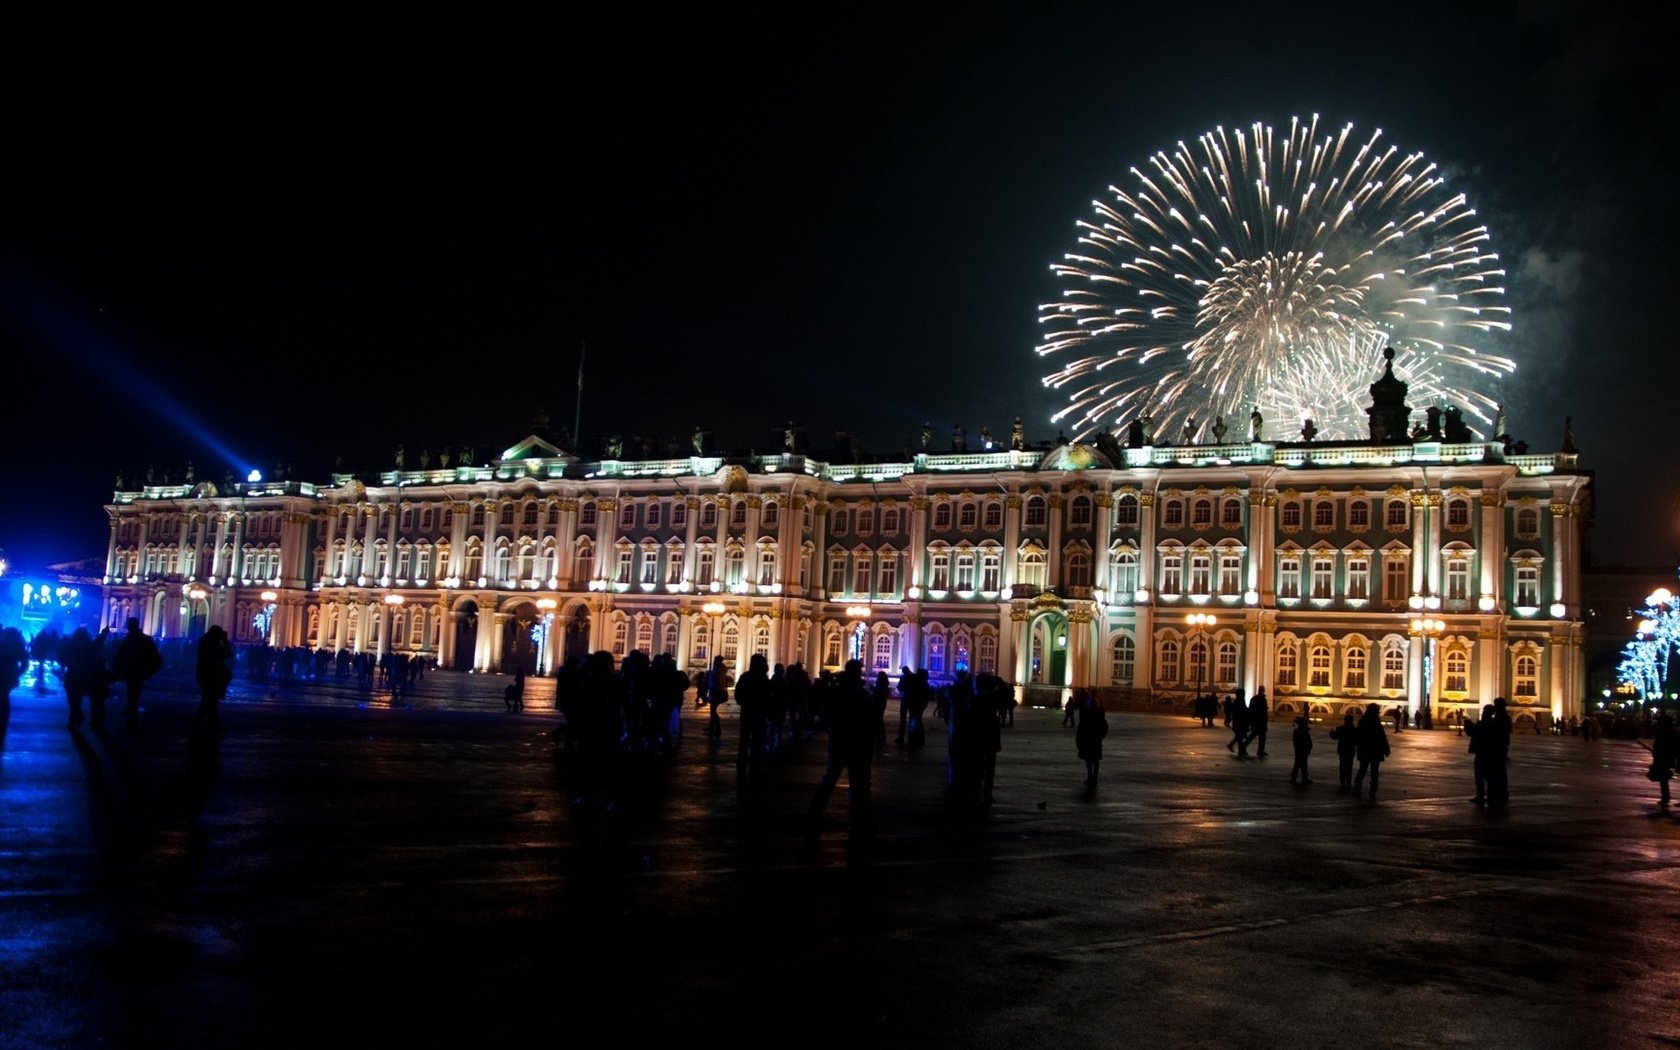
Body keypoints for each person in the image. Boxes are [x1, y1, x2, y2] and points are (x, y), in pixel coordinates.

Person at [807, 660, 876, 836]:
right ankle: (858, 820)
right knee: (858, 784)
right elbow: (870, 722)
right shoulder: (862, 695)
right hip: (856, 745)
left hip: (839, 741)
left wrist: (832, 729)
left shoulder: (836, 692)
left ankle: (814, 812)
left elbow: (825, 713)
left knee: (830, 779)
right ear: (857, 673)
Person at [112, 616, 164, 731]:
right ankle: (131, 714)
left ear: (130, 626)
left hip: (132, 671)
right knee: (134, 694)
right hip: (140, 671)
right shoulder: (145, 639)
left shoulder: (128, 640)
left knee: (132, 694)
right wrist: (150, 671)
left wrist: (117, 670)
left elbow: (119, 656)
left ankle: (131, 715)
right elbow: (156, 657)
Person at [193, 625, 234, 741]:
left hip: (206, 676)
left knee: (209, 702)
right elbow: (227, 654)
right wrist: (225, 640)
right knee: (209, 701)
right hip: (211, 676)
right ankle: (201, 725)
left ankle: (209, 724)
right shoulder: (212, 645)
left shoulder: (205, 643)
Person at [735, 653, 771, 777]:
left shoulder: (745, 677)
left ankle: (741, 764)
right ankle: (755, 765)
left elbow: (737, 695)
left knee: (744, 740)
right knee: (758, 741)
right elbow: (768, 697)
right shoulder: (764, 679)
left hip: (747, 713)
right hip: (759, 715)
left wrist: (744, 704)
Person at [1351, 702, 1390, 801]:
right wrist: (1386, 749)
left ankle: (1357, 787)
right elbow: (1382, 736)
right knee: (1374, 771)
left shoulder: (1363, 721)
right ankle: (1372, 790)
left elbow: (1358, 736)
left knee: (1363, 769)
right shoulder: (1376, 722)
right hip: (1375, 751)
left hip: (1365, 750)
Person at [1484, 697, 1513, 806]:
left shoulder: (1501, 717)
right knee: (1500, 770)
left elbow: (1497, 731)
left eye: (1496, 704)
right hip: (1501, 745)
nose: (1495, 707)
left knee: (1497, 770)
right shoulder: (1504, 716)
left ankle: (1498, 794)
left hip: (1498, 746)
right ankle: (1500, 793)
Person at [1076, 695, 1109, 787]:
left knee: (1089, 761)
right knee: (1095, 760)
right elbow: (1104, 728)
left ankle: (1090, 777)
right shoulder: (1100, 715)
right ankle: (1094, 778)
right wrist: (1100, 737)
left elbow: (1081, 729)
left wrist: (1079, 740)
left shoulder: (1086, 715)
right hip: (1096, 741)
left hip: (1088, 741)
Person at [1466, 703, 1494, 804]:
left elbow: (1472, 732)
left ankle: (1480, 796)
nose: (1482, 713)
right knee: (1488, 777)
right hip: (1489, 753)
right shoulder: (1492, 724)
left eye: (1484, 712)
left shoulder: (1483, 724)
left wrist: (1467, 723)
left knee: (1480, 776)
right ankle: (1490, 796)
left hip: (1481, 753)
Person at [1649, 713, 1677, 807]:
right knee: (1663, 778)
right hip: (1667, 758)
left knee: (1663, 778)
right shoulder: (1672, 732)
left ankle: (1665, 797)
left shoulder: (1662, 732)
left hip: (1662, 757)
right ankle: (1665, 797)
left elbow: (1657, 745)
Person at [1328, 711, 1358, 793]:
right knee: (1349, 765)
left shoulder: (1340, 729)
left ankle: (1342, 779)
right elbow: (1357, 741)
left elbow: (1334, 737)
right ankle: (1348, 779)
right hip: (1350, 751)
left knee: (1342, 765)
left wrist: (1331, 733)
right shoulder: (1354, 730)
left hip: (1342, 750)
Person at [704, 655, 728, 739]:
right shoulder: (720, 669)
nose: (713, 661)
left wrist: (711, 691)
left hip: (717, 692)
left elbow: (716, 681)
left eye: (715, 659)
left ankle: (717, 729)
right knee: (712, 710)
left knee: (713, 710)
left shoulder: (718, 669)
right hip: (717, 691)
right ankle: (712, 727)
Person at [1244, 687, 1269, 757]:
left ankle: (1259, 750)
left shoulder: (1254, 698)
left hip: (1256, 721)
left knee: (1254, 736)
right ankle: (1260, 751)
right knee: (1260, 737)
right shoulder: (1262, 699)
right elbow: (1262, 711)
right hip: (1260, 721)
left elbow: (1251, 709)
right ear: (1263, 691)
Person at [1289, 716, 1313, 785]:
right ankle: (1302, 778)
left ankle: (1294, 777)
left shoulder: (1297, 732)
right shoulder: (1303, 732)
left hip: (1299, 750)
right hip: (1302, 750)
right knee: (1302, 764)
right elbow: (1307, 741)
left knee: (1298, 764)